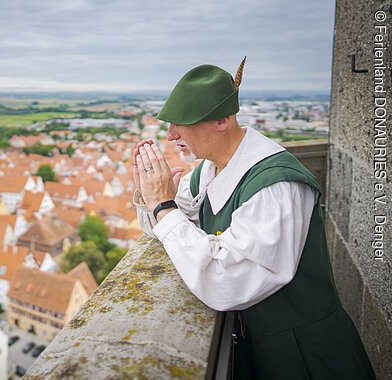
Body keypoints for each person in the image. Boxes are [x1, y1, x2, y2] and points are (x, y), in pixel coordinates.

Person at [132, 59, 376, 379]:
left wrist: (162, 205)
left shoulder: (276, 185)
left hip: (305, 355)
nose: (170, 134)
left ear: (222, 120)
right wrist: (151, 198)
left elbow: (225, 280)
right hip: (257, 348)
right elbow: (169, 229)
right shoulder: (206, 172)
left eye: (182, 122)